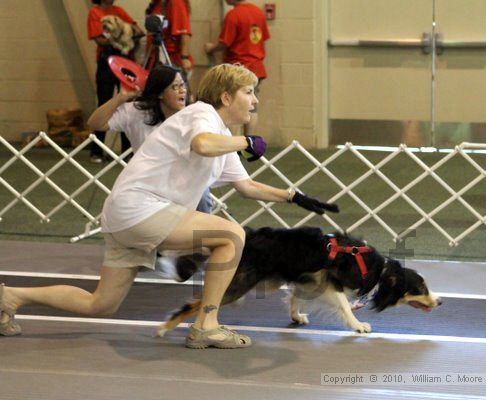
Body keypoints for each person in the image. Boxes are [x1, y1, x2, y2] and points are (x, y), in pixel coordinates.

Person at [0, 63, 339, 349]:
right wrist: (247, 140)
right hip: (140, 209)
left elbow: (247, 186)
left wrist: (294, 196)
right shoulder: (202, 115)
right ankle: (206, 325)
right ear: (225, 97)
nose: (255, 100)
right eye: (249, 92)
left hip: (130, 215)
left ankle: (11, 297)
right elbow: (203, 145)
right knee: (232, 235)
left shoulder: (220, 133)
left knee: (100, 304)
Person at [87, 65, 211, 213]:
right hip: (146, 181)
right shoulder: (136, 112)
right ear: (159, 93)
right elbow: (95, 123)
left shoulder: (194, 115)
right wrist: (120, 98)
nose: (182, 90)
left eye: (183, 85)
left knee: (202, 195)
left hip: (184, 179)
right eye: (175, 87)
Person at [88, 0, 143, 164]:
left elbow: (138, 31)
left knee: (128, 104)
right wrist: (118, 35)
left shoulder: (119, 10)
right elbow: (100, 40)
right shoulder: (95, 13)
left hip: (126, 62)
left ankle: (128, 151)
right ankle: (97, 151)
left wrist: (125, 31)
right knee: (104, 104)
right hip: (107, 62)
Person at [204, 0, 269, 135]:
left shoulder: (233, 15)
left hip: (237, 70)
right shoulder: (258, 13)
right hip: (256, 68)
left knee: (231, 106)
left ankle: (234, 143)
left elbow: (225, 43)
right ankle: (249, 142)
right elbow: (262, 39)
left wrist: (211, 48)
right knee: (252, 106)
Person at [145, 0, 193, 78]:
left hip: (170, 60)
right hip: (156, 57)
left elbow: (184, 32)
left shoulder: (176, 2)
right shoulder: (158, 3)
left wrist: (185, 58)